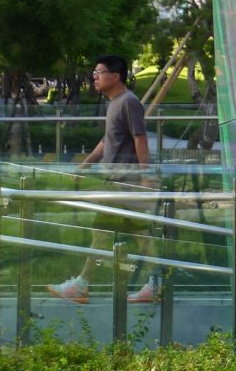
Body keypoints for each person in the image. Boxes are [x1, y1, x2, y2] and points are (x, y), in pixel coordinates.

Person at [47, 55, 158, 304]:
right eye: (94, 72)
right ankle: (157, 283)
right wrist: (84, 165)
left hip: (124, 183)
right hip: (118, 182)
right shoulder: (115, 103)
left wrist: (146, 176)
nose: (94, 77)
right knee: (140, 235)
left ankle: (81, 286)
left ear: (115, 76)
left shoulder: (128, 102)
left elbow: (140, 138)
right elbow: (107, 140)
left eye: (99, 72)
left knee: (102, 233)